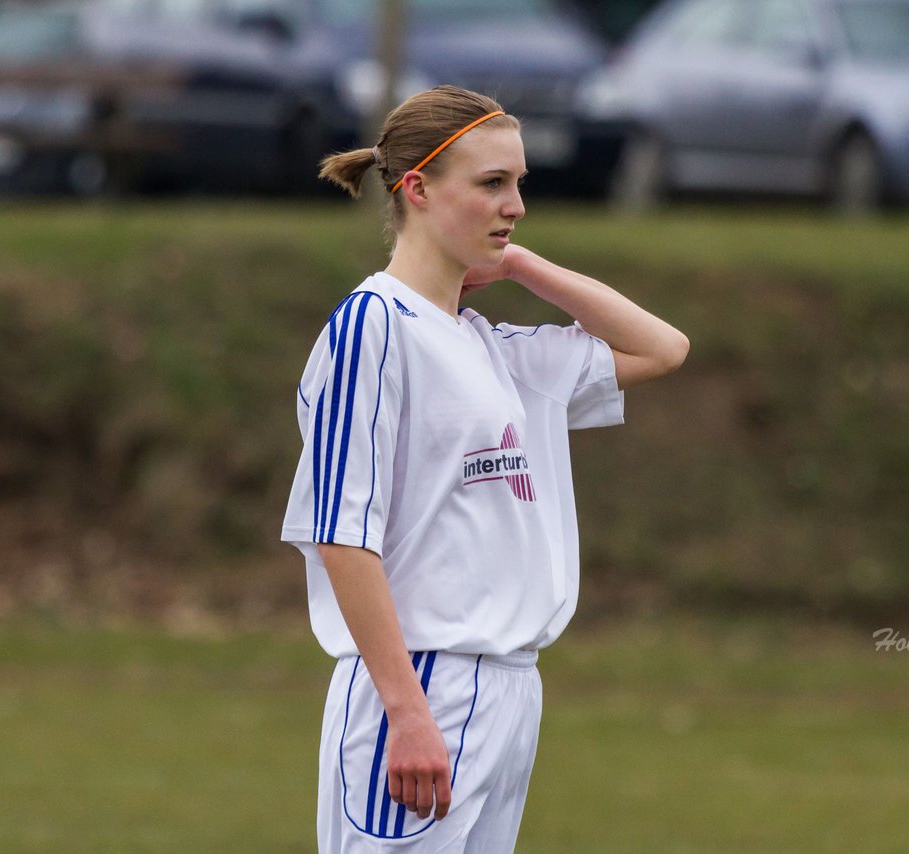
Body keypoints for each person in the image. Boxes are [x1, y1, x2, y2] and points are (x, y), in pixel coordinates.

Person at [280, 85, 688, 853]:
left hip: (509, 687)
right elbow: (340, 531)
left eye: (520, 183)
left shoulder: (493, 348)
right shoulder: (373, 329)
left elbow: (662, 348)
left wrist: (523, 267)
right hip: (421, 684)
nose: (517, 205)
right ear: (420, 188)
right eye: (493, 184)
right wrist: (405, 709)